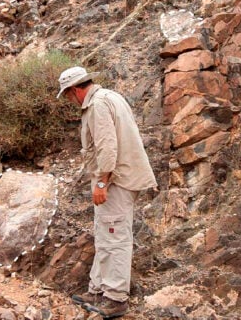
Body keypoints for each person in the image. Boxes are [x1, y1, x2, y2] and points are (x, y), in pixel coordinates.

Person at [56, 66, 157, 319]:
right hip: (119, 177)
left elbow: (107, 147)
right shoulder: (110, 97)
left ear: (76, 89)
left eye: (67, 95)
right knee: (105, 233)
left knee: (114, 236)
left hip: (116, 181)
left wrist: (102, 183)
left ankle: (115, 298)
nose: (69, 100)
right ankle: (98, 289)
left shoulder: (98, 105)